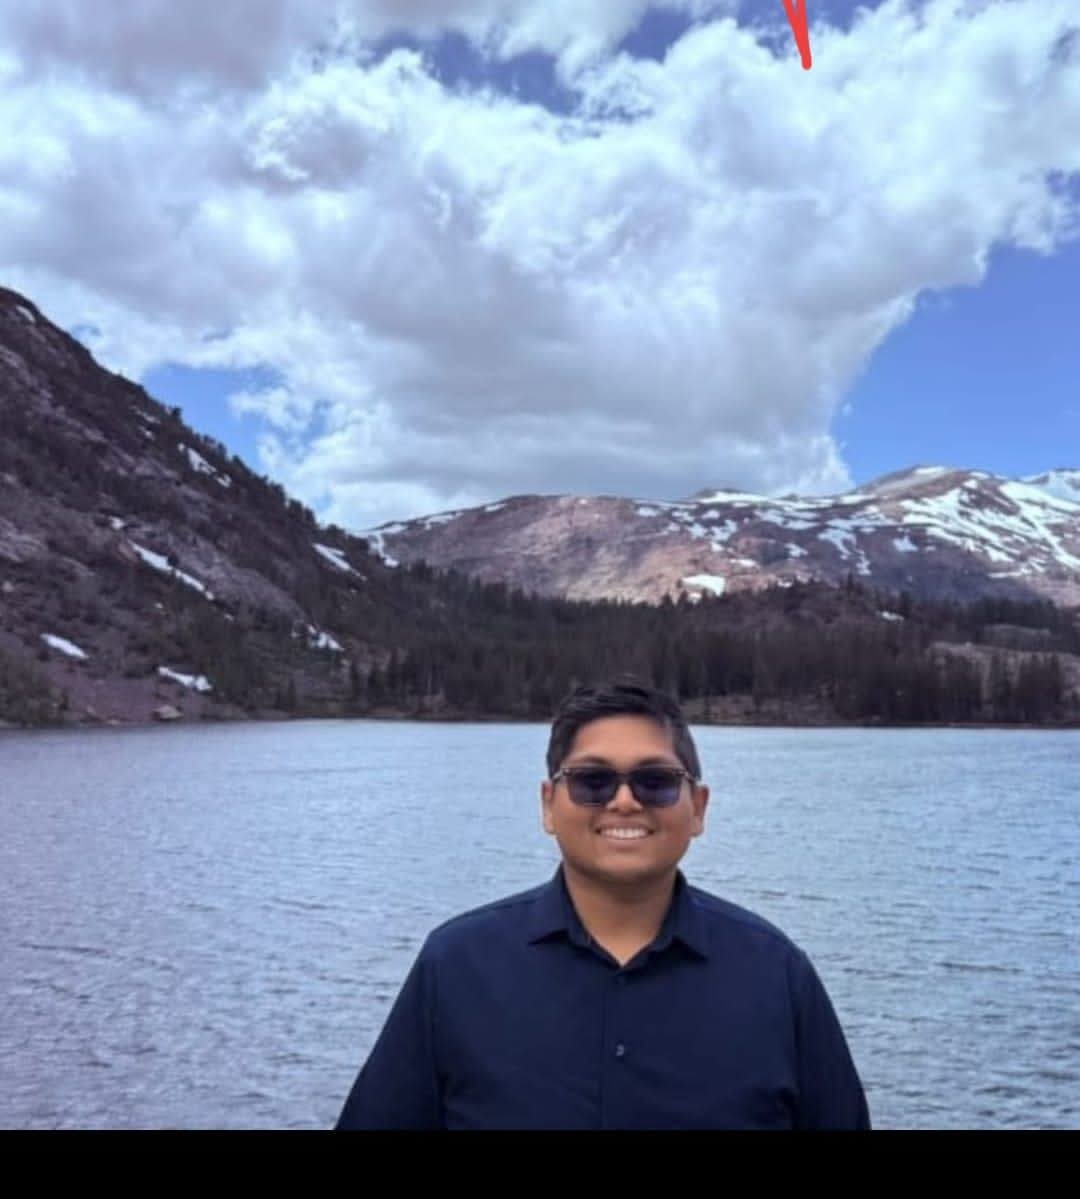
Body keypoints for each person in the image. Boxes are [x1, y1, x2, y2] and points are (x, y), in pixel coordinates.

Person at [335, 679, 871, 1129]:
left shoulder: (777, 976)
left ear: (698, 808)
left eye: (656, 782)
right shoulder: (456, 967)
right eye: (592, 781)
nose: (624, 801)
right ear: (549, 805)